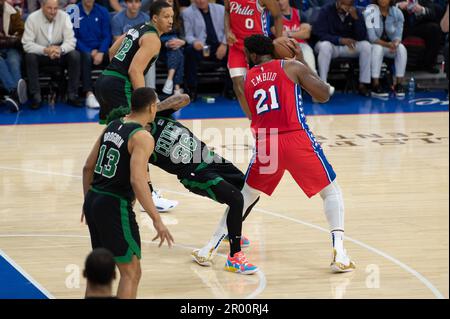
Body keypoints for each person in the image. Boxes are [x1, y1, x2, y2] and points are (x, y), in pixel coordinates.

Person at [196, 35, 355, 273]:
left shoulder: (248, 78)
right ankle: (340, 252)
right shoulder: (291, 66)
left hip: (267, 141)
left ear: (251, 55)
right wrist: (302, 61)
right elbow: (323, 94)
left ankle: (208, 248)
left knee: (245, 196)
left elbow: (253, 114)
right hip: (295, 137)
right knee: (331, 192)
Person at [106, 94, 259, 275]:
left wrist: (155, 108)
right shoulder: (139, 141)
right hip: (195, 173)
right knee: (236, 198)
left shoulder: (160, 116)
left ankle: (229, 232)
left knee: (251, 190)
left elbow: (184, 98)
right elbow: (141, 177)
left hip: (209, 157)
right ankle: (235, 257)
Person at [82, 87, 174, 299]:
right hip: (115, 205)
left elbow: (88, 166)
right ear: (152, 107)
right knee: (131, 272)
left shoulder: (112, 125)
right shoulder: (142, 136)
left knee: (99, 272)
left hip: (94, 198)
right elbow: (137, 180)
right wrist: (157, 220)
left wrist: (88, 201)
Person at [96, 0, 178, 212]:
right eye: (166, 16)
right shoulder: (153, 39)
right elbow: (134, 71)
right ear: (154, 18)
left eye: (172, 16)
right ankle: (148, 193)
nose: (170, 20)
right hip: (119, 85)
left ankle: (109, 181)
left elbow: (113, 50)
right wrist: (145, 103)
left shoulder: (137, 28)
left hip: (105, 80)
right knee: (137, 135)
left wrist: (116, 73)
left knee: (116, 135)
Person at [225, 0, 283, 118]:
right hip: (237, 45)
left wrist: (279, 40)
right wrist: (227, 31)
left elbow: (277, 16)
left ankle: (276, 117)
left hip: (259, 46)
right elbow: (226, 11)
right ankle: (255, 121)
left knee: (266, 85)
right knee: (238, 85)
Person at [22, 0, 81, 109]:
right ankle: (36, 96)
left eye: (55, 8)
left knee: (75, 55)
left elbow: (71, 41)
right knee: (29, 57)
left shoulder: (64, 16)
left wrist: (60, 49)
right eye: (49, 8)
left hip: (59, 53)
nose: (53, 11)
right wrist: (45, 50)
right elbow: (27, 44)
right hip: (41, 53)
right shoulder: (32, 18)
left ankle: (73, 94)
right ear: (42, 6)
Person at [313, 0, 372, 97]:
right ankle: (322, 85)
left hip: (348, 48)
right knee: (325, 46)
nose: (345, 7)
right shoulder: (326, 10)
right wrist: (339, 40)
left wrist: (356, 19)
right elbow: (319, 33)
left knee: (366, 46)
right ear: (339, 2)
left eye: (349, 4)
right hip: (331, 46)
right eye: (343, 4)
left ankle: (363, 84)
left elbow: (362, 36)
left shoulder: (355, 12)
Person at [181, 0, 233, 101]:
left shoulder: (221, 9)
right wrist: (195, 42)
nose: (200, 1)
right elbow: (188, 35)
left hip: (219, 45)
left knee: (233, 51)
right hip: (201, 46)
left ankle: (230, 89)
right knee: (189, 51)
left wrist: (224, 44)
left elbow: (229, 29)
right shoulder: (187, 12)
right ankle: (192, 90)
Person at [364, 0, 407, 97]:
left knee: (401, 48)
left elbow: (398, 35)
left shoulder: (398, 13)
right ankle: (375, 85)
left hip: (390, 46)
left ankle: (399, 84)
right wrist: (388, 45)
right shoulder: (369, 12)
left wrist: (395, 44)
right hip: (372, 46)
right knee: (378, 48)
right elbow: (372, 38)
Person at [74, 0, 112, 109]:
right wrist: (89, 51)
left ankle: (111, 93)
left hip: (101, 49)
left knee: (114, 57)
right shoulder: (74, 11)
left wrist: (101, 51)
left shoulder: (102, 11)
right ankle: (89, 94)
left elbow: (107, 35)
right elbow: (74, 36)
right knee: (85, 57)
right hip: (82, 49)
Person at [396, 0, 442, 73]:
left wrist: (421, 10)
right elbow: (385, 7)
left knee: (434, 28)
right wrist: (398, 6)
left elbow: (432, 13)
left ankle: (428, 64)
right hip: (399, 27)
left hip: (417, 27)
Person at [272, 0, 317, 73]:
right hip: (284, 46)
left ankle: (317, 82)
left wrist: (288, 34)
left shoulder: (299, 13)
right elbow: (278, 34)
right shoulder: (274, 16)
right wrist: (298, 33)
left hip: (301, 45)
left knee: (311, 70)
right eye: (277, 0)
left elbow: (306, 34)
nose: (280, 2)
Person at [0, 0, 27, 112]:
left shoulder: (13, 12)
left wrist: (8, 40)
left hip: (11, 47)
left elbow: (23, 33)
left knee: (14, 61)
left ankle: (14, 96)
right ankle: (15, 92)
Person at [160, 0, 185, 96]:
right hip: (161, 49)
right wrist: (166, 43)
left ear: (174, 3)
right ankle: (177, 87)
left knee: (176, 51)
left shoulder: (179, 17)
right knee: (178, 53)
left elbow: (183, 36)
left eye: (170, 1)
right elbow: (154, 37)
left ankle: (170, 81)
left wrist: (181, 42)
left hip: (176, 47)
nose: (167, 3)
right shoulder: (157, 18)